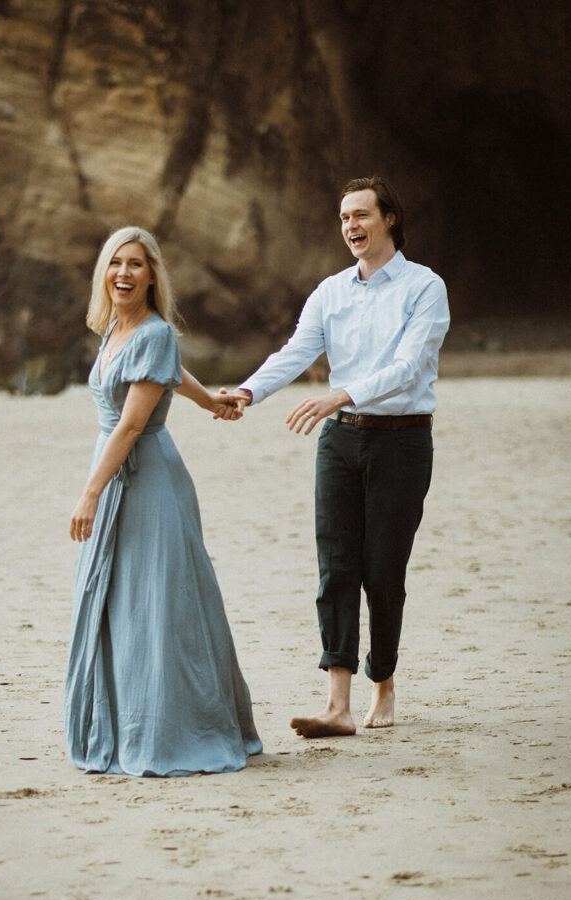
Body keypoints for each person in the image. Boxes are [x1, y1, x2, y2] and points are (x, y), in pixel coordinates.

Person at [218, 176, 450, 738]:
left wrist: (340, 393)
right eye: (344, 217)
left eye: (361, 215)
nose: (351, 226)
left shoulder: (425, 287)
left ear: (389, 218)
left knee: (383, 570)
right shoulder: (330, 291)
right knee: (336, 567)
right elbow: (295, 351)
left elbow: (410, 367)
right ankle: (338, 703)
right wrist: (247, 392)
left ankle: (384, 684)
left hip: (402, 440)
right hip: (340, 440)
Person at [64, 226, 262, 775]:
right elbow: (167, 374)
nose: (123, 273)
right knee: (120, 603)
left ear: (153, 275)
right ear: (104, 273)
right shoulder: (116, 331)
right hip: (114, 471)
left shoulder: (153, 332)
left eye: (135, 264)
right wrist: (207, 401)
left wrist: (88, 494)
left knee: (160, 603)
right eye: (114, 264)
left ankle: (173, 730)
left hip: (146, 479)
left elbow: (130, 425)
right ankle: (123, 722)